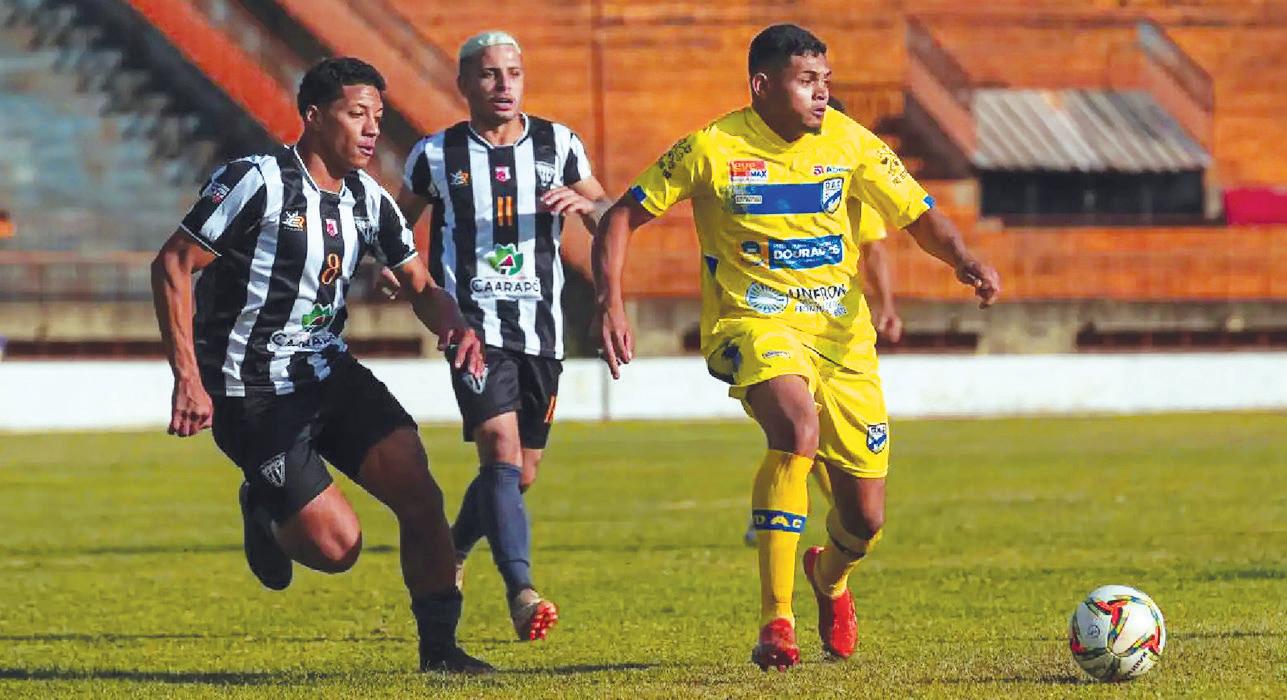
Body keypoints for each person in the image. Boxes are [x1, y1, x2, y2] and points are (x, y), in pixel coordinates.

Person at [592, 25, 999, 670]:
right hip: (752, 324)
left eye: (825, 81)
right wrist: (611, 302)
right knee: (796, 428)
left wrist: (963, 258)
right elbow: (621, 216)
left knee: (864, 521)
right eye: (807, 81)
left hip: (842, 340)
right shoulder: (712, 147)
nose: (822, 94)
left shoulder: (849, 142)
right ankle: (775, 622)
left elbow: (918, 214)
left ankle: (828, 577)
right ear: (762, 85)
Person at [150, 57, 494, 674]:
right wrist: (188, 378)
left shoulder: (370, 200)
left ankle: (441, 653)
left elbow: (420, 285)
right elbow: (174, 263)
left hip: (327, 373)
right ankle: (264, 507)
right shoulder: (257, 181)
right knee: (339, 550)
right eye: (357, 114)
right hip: (253, 391)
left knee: (420, 492)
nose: (372, 129)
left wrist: (455, 323)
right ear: (313, 116)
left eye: (377, 116)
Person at [388, 31, 610, 642]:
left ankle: (455, 548)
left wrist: (588, 208)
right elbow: (397, 226)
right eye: (489, 74)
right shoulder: (436, 155)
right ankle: (522, 592)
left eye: (513, 72)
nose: (503, 84)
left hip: (542, 334)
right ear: (464, 83)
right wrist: (395, 269)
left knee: (521, 472)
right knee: (498, 448)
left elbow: (610, 216)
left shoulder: (560, 145)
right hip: (472, 331)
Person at [739, 96, 902, 547]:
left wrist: (888, 306)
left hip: (836, 327)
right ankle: (782, 511)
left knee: (822, 437)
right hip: (779, 320)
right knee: (798, 422)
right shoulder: (780, 172)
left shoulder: (853, 176)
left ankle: (835, 516)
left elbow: (874, 249)